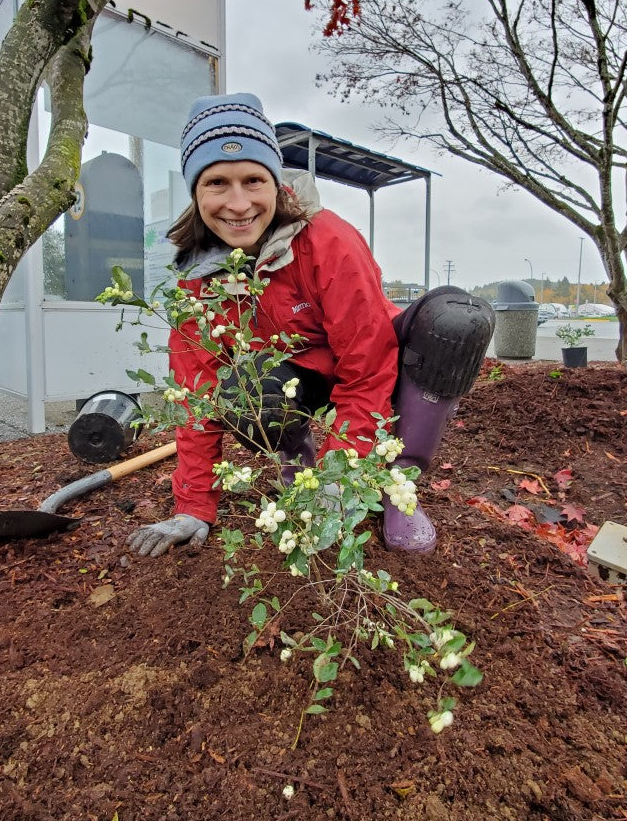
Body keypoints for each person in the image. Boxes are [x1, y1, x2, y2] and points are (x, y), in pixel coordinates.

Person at [128, 93, 493, 558]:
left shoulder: (326, 240)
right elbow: (197, 396)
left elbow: (366, 366)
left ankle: (397, 483)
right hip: (306, 378)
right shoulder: (197, 281)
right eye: (217, 182)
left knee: (456, 324)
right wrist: (194, 507)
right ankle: (298, 477)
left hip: (382, 363)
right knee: (243, 390)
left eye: (253, 180)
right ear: (195, 191)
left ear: (276, 181)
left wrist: (340, 476)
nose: (238, 204)